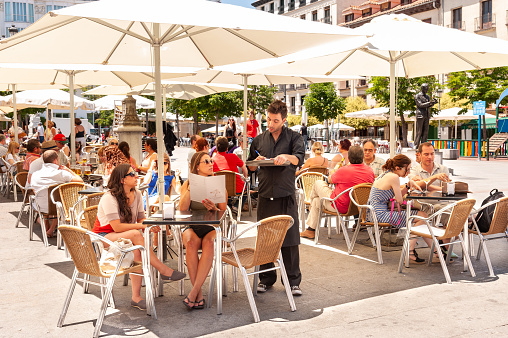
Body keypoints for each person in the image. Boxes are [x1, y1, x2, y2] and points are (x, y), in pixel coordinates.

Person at [93, 163, 185, 310]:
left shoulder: (136, 194)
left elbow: (141, 218)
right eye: (132, 174)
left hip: (123, 237)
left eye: (135, 173)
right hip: (103, 237)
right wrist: (142, 227)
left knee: (138, 249)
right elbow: (117, 227)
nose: (137, 176)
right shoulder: (109, 197)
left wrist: (149, 224)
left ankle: (136, 297)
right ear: (122, 180)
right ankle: (163, 270)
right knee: (136, 235)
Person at [248, 99, 305, 296]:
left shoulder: (295, 137)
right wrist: (255, 162)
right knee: (265, 239)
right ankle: (266, 279)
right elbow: (251, 167)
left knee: (290, 239)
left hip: (285, 194)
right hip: (264, 194)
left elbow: (297, 158)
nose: (270, 124)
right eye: (268, 120)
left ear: (284, 120)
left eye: (275, 121)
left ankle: (293, 281)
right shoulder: (259, 140)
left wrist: (285, 157)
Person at [367, 154, 440, 263]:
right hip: (381, 215)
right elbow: (399, 201)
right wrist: (409, 188)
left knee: (422, 217)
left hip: (373, 213)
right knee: (423, 217)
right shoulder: (394, 177)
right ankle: (411, 250)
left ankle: (436, 251)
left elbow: (397, 198)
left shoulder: (386, 174)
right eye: (407, 169)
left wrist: (407, 185)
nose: (409, 172)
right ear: (398, 168)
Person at [179, 151, 227, 310]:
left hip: (212, 227)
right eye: (206, 162)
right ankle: (198, 295)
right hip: (192, 226)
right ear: (197, 167)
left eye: (211, 161)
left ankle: (193, 294)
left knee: (210, 242)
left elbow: (223, 211)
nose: (210, 164)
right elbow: (182, 209)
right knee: (191, 243)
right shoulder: (187, 185)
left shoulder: (218, 183)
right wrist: (193, 186)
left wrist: (214, 208)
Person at [300, 146, 375, 239]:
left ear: (349, 158)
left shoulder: (344, 170)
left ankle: (310, 206)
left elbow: (330, 180)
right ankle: (310, 230)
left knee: (318, 183)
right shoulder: (370, 171)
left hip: (339, 206)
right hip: (358, 208)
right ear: (362, 156)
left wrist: (334, 172)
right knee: (317, 201)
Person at [31, 150, 83, 238]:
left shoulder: (35, 174)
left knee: (55, 201)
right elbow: (80, 181)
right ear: (56, 160)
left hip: (40, 206)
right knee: (59, 201)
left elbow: (34, 190)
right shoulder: (61, 173)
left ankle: (45, 223)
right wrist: (68, 170)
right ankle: (51, 229)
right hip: (58, 207)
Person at [212, 136, 248, 209]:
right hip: (236, 188)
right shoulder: (233, 156)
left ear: (216, 148)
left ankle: (227, 205)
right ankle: (236, 206)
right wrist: (245, 177)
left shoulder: (212, 160)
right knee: (246, 187)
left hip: (219, 190)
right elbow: (244, 168)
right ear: (227, 148)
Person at [414, 83, 437, 148]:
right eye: (426, 89)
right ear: (422, 89)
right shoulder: (417, 96)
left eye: (427, 88)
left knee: (425, 132)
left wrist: (433, 103)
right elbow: (420, 105)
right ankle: (416, 145)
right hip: (420, 115)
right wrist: (429, 103)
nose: (427, 90)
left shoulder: (427, 96)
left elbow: (428, 105)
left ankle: (423, 146)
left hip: (426, 115)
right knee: (419, 131)